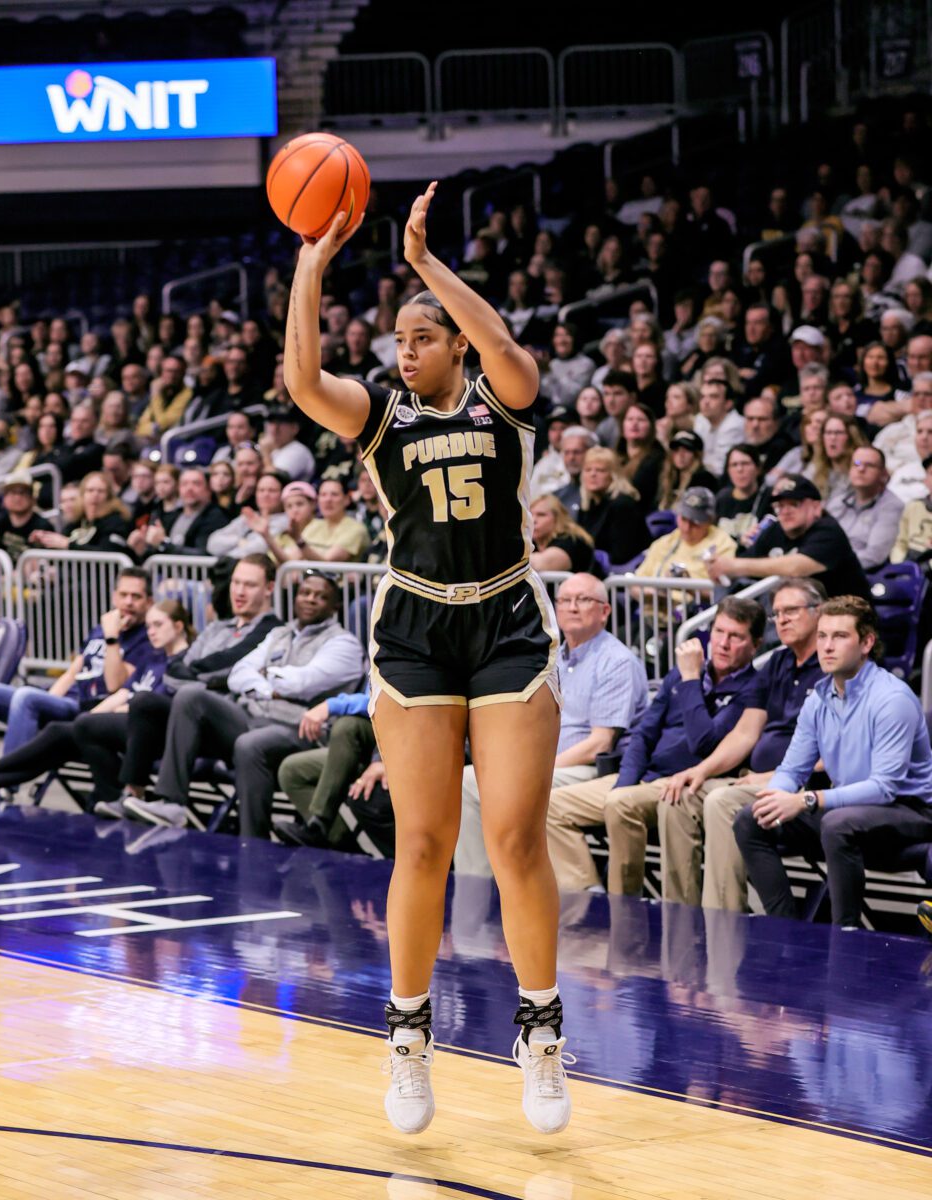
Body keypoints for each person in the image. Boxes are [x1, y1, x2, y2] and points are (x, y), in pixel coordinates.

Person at [283, 182, 574, 1136]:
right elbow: (301, 383)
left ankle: (539, 1033)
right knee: (421, 845)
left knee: (517, 840)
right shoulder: (378, 418)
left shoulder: (506, 404)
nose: (403, 351)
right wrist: (311, 261)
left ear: (452, 342)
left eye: (420, 337)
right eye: (400, 340)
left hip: (507, 625)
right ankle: (409, 1040)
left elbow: (508, 350)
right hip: (414, 628)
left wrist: (424, 267)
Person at [733, 596, 932, 928]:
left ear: (866, 642)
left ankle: (846, 933)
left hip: (910, 811)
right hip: (852, 811)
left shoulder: (892, 699)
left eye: (839, 636)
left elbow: (883, 788)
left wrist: (808, 799)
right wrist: (775, 797)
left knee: (837, 823)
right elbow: (792, 769)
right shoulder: (820, 698)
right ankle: (788, 929)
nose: (826, 646)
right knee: (749, 819)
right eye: (822, 636)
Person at [545, 597, 763, 893]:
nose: (723, 643)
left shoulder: (751, 688)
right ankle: (588, 894)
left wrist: (689, 680)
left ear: (756, 644)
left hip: (686, 784)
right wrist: (625, 782)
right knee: (551, 805)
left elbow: (704, 743)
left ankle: (623, 906)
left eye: (736, 636)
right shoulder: (681, 673)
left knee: (621, 804)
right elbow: (644, 735)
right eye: (718, 632)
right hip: (643, 778)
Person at [455, 573, 648, 876]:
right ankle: (476, 896)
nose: (572, 608)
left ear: (605, 612)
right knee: (468, 779)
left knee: (489, 785)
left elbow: (600, 743)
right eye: (565, 601)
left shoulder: (617, 661)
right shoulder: (550, 657)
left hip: (590, 770)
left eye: (583, 600)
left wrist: (541, 767)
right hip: (548, 763)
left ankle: (521, 890)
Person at [656, 580, 826, 909]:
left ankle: (722, 924)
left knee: (721, 801)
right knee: (678, 796)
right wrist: (698, 771)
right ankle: (679, 924)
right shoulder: (777, 662)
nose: (783, 620)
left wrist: (775, 776)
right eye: (777, 613)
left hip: (799, 786)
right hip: (756, 778)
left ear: (818, 613)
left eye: (791, 610)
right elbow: (745, 734)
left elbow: (837, 753)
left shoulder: (833, 668)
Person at [0, 600, 194, 810]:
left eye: (158, 625)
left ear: (179, 626)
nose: (151, 632)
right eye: (149, 625)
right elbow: (121, 695)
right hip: (116, 728)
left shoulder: (183, 664)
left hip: (148, 737)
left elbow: (146, 707)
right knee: (59, 735)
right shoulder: (153, 658)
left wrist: (92, 722)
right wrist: (91, 720)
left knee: (60, 732)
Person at [85, 556, 280, 817]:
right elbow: (174, 671)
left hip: (231, 721)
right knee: (124, 710)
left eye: (250, 585)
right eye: (236, 583)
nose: (239, 592)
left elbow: (227, 666)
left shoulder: (273, 631)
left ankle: (171, 803)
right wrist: (206, 677)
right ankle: (131, 795)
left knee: (189, 694)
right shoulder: (216, 628)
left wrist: (198, 674)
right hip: (186, 718)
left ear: (269, 588)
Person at [0, 567, 152, 770]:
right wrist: (47, 701)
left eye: (136, 597)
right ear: (114, 597)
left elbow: (115, 685)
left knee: (25, 697)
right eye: (123, 595)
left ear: (149, 602)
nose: (128, 602)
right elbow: (72, 673)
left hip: (88, 708)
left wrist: (112, 638)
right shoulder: (100, 629)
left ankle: (2, 779)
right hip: (64, 701)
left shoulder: (144, 639)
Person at [706, 474, 871, 600]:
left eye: (794, 504)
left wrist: (733, 565)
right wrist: (723, 569)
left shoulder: (828, 531)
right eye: (780, 505)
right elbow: (747, 563)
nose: (785, 511)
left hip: (844, 620)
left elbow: (796, 567)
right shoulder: (774, 530)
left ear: (816, 507)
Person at [273, 687, 376, 847]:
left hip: (389, 742)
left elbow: (382, 701)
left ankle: (320, 823)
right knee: (291, 771)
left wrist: (332, 705)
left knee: (347, 726)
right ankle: (342, 845)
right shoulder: (367, 661)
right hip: (357, 743)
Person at [565, 446, 649, 564]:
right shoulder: (587, 505)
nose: (593, 474)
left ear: (613, 475)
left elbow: (622, 554)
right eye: (588, 470)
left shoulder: (623, 504)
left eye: (600, 470)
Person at [824, 445, 903, 569]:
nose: (861, 469)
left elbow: (874, 557)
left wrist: (827, 564)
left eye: (870, 465)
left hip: (859, 576)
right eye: (856, 463)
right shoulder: (838, 501)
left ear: (883, 474)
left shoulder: (891, 506)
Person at [128, 466, 229, 559]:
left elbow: (203, 555)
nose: (189, 488)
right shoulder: (173, 515)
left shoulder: (215, 516)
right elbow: (162, 553)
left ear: (208, 489)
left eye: (196, 483)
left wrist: (164, 543)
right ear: (179, 489)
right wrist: (142, 550)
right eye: (184, 484)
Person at [715, 443, 771, 541]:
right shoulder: (722, 498)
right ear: (728, 471)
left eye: (745, 463)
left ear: (758, 469)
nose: (739, 469)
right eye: (734, 465)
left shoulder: (768, 497)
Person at [529, 493, 595, 573]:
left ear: (557, 517)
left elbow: (540, 564)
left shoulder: (571, 540)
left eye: (541, 515)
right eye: (530, 515)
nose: (533, 520)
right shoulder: (533, 542)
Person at [692, 379, 744, 477]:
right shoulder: (701, 419)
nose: (706, 402)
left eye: (713, 397)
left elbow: (720, 468)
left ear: (728, 403)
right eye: (702, 397)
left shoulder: (735, 425)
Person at [656, 430, 719, 510]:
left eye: (687, 449)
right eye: (676, 449)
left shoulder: (704, 479)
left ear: (697, 454)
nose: (680, 455)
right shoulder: (668, 476)